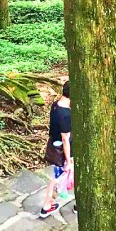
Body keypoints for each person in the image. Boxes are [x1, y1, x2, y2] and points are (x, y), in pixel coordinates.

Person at [41, 81, 72, 218]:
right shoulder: (65, 114)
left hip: (54, 145)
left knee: (58, 178)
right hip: (62, 153)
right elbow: (65, 139)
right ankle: (47, 205)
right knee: (57, 179)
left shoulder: (55, 105)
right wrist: (69, 161)